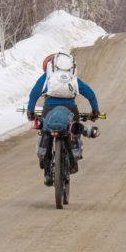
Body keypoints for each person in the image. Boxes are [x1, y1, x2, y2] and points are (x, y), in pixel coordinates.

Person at [26, 51, 100, 185]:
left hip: (48, 110)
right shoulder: (72, 78)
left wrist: (30, 112)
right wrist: (95, 110)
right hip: (70, 109)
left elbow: (34, 94)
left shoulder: (47, 77)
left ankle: (47, 171)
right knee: (75, 130)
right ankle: (73, 159)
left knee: (46, 131)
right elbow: (90, 93)